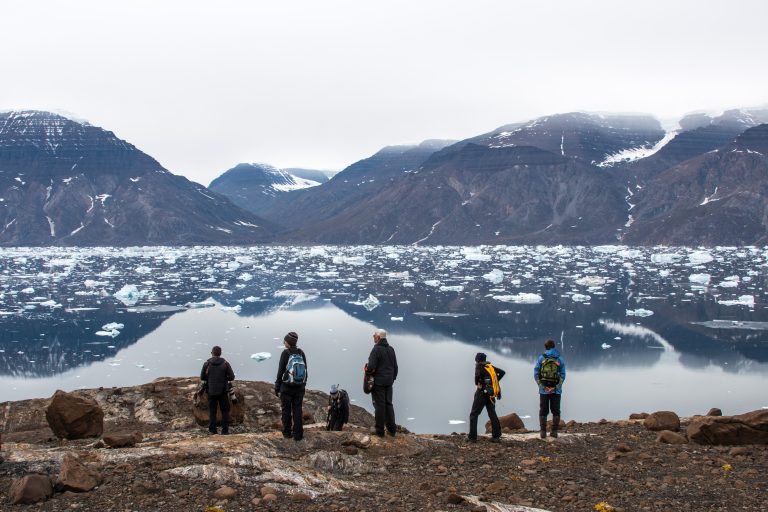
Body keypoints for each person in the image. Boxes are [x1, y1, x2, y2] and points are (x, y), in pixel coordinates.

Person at [274, 331, 307, 441]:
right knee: (297, 410)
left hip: (287, 387)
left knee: (286, 410)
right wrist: (303, 385)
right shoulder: (301, 353)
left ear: (288, 342)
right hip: (299, 388)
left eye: (285, 340)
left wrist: (277, 386)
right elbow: (305, 370)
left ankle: (287, 433)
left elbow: (280, 371)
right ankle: (298, 435)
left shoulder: (285, 353)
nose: (284, 342)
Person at [468, 352, 505, 442]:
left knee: (474, 414)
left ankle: (472, 437)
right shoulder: (490, 367)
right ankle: (496, 436)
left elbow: (477, 382)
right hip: (491, 394)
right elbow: (502, 372)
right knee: (492, 414)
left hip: (481, 393)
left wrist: (481, 384)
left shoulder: (479, 367)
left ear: (477, 360)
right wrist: (493, 382)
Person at [367, 328, 398, 437]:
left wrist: (367, 370)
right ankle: (392, 429)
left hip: (379, 383)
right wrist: (391, 379)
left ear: (378, 337)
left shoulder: (376, 350)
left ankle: (379, 431)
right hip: (388, 382)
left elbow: (371, 367)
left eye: (374, 335)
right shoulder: (391, 349)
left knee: (379, 406)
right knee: (388, 404)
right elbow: (395, 367)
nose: (373, 337)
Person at [534, 339, 567, 438]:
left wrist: (542, 387)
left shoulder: (541, 358)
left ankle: (543, 432)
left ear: (545, 347)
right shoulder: (559, 359)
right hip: (556, 390)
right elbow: (563, 375)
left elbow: (536, 374)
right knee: (556, 410)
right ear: (554, 346)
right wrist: (556, 387)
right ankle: (554, 431)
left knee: (543, 410)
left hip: (544, 390)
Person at [200, 345, 235, 435]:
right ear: (220, 353)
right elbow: (232, 377)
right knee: (225, 411)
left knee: (212, 411)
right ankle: (225, 430)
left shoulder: (207, 364)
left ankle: (213, 430)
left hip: (211, 391)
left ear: (212, 353)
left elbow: (202, 377)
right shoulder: (225, 363)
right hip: (223, 391)